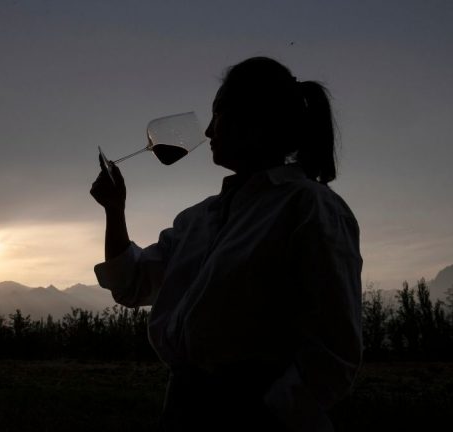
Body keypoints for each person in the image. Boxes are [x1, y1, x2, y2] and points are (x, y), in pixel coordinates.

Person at [90, 56, 362, 431]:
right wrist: (114, 209)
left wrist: (270, 410)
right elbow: (130, 284)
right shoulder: (198, 219)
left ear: (254, 122)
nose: (208, 131)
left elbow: (335, 349)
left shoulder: (310, 207)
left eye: (217, 114)